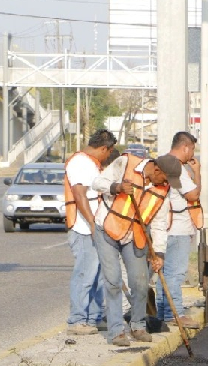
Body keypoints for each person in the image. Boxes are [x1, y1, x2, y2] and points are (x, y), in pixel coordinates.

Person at [92, 152, 182, 347]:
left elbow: (159, 224)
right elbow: (97, 183)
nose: (166, 183)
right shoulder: (125, 163)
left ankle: (138, 325)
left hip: (134, 236)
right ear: (157, 170)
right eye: (166, 178)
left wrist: (158, 253)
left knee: (140, 282)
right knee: (113, 281)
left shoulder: (163, 191)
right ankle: (116, 331)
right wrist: (116, 187)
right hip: (107, 229)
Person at [63, 129, 117, 335]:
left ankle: (93, 317)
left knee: (98, 276)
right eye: (108, 152)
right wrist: (92, 223)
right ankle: (77, 320)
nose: (108, 156)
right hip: (84, 228)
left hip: (96, 226)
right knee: (85, 274)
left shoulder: (90, 163)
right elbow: (80, 195)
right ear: (104, 148)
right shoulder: (80, 162)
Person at [156, 131, 203, 328]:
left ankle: (165, 313)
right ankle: (176, 314)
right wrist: (198, 173)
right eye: (192, 149)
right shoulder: (178, 168)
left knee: (164, 273)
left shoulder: (162, 163)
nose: (192, 154)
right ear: (185, 147)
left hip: (163, 227)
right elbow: (192, 194)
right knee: (175, 274)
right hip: (177, 228)